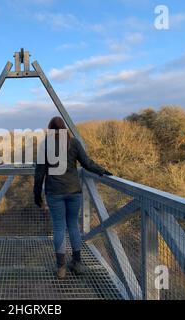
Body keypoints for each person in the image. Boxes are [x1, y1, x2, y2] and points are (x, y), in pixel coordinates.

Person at [33, 116, 112, 279]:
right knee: (74, 226)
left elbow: (40, 172)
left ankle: (61, 267)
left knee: (59, 228)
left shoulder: (45, 145)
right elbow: (87, 163)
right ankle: (77, 262)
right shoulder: (73, 143)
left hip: (54, 192)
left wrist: (37, 194)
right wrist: (102, 170)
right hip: (73, 191)